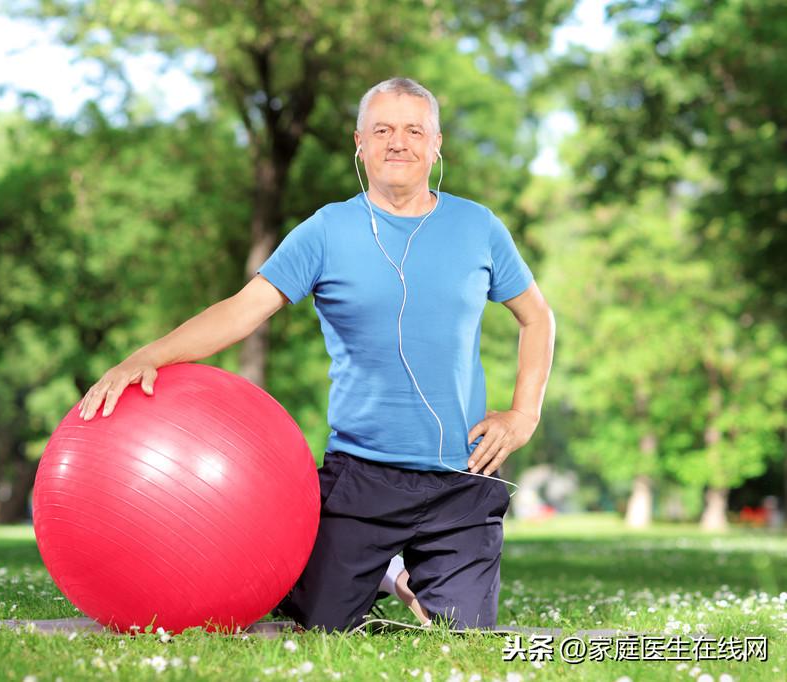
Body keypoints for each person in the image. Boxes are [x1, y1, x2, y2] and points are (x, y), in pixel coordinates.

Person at [78, 77, 555, 633]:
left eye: (413, 130)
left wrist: (523, 415)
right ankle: (386, 572)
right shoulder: (326, 230)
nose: (398, 142)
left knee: (462, 633)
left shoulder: (478, 226)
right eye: (382, 129)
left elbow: (537, 316)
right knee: (318, 621)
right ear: (360, 142)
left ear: (436, 143)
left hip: (463, 474)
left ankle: (406, 574)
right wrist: (147, 356)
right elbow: (242, 310)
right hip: (363, 474)